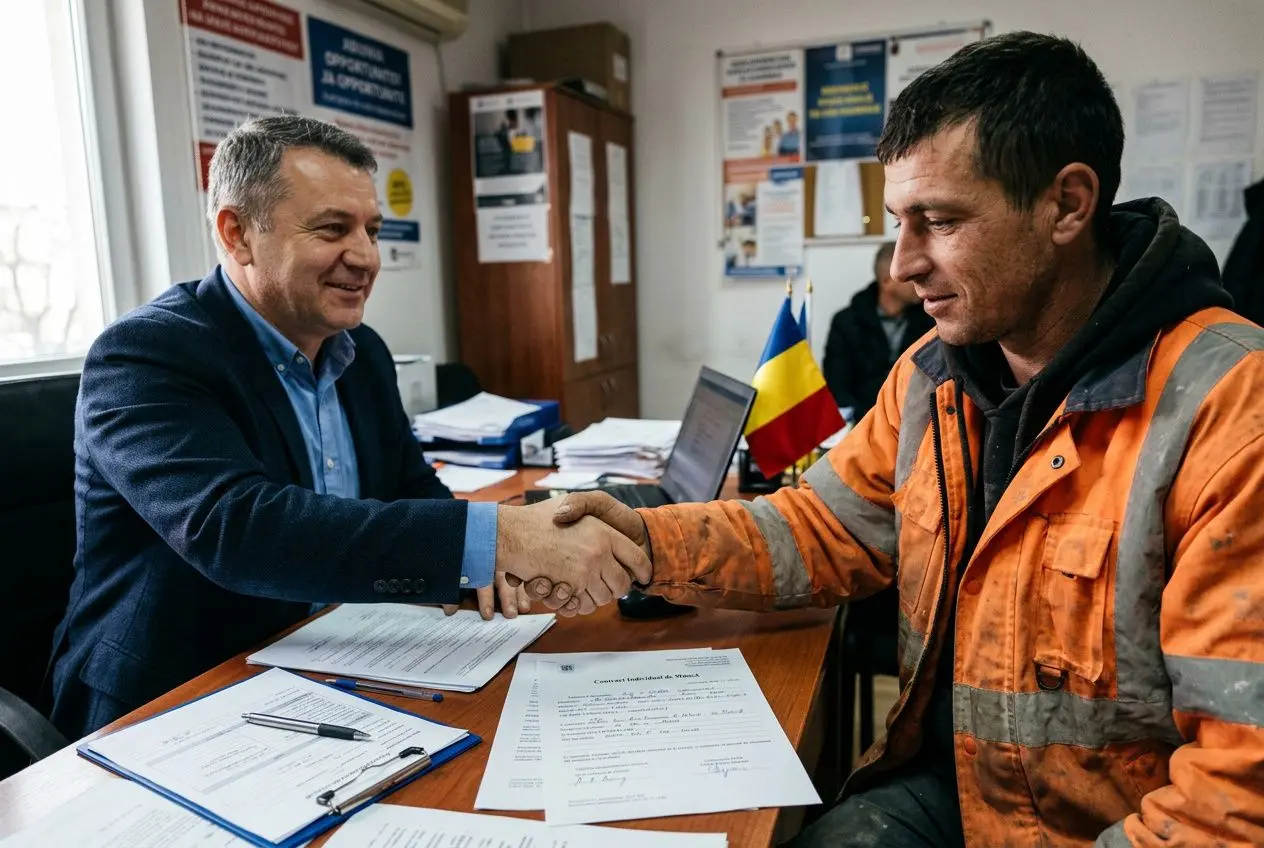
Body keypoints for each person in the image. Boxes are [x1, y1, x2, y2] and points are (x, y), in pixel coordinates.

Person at [539, 32, 1264, 847]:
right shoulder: (929, 378)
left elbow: (1236, 797)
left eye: (941, 221)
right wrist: (641, 541)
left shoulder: (1233, 409)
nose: (903, 264)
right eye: (898, 223)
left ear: (1067, 204)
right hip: (958, 786)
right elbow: (823, 528)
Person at [48, 116, 646, 738]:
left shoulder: (363, 354)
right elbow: (235, 528)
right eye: (333, 229)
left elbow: (411, 488)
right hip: (178, 696)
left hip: (331, 659)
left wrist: (496, 569)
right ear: (237, 234)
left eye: (372, 230)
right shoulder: (146, 354)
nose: (365, 257)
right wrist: (498, 538)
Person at [823, 242, 932, 422]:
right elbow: (836, 385)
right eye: (911, 276)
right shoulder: (847, 322)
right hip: (861, 424)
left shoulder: (931, 318)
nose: (921, 282)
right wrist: (869, 423)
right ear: (887, 281)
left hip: (919, 422)